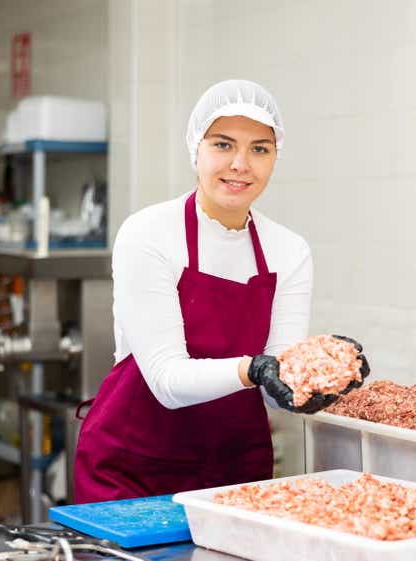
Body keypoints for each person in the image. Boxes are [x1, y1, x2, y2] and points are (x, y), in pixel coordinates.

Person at [73, 79, 369, 503]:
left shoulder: (289, 251)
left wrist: (315, 378)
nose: (240, 164)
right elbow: (166, 381)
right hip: (133, 470)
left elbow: (275, 386)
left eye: (260, 149)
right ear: (197, 148)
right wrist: (255, 369)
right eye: (223, 144)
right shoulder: (149, 233)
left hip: (234, 471)